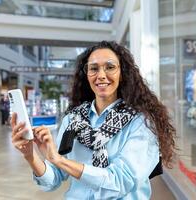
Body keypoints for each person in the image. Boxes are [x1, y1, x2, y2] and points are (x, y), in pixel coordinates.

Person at [11, 41, 176, 199]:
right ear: (87, 75)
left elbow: (121, 181)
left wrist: (60, 160)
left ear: (123, 73)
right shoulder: (72, 120)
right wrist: (30, 155)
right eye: (94, 68)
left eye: (110, 67)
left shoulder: (141, 122)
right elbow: (53, 179)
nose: (101, 75)